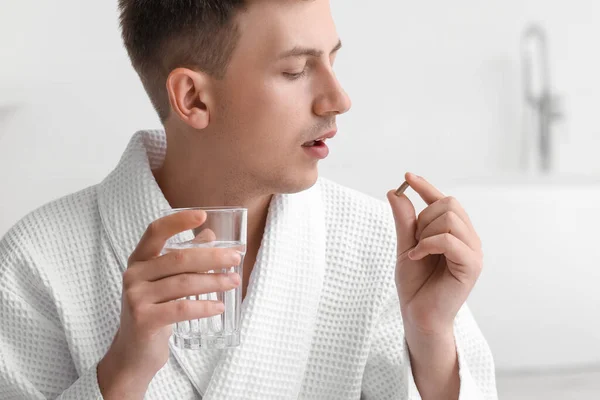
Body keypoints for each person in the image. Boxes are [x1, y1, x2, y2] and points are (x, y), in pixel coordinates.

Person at [0, 1, 497, 399]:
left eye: (332, 59)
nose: (338, 98)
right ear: (193, 98)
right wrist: (121, 378)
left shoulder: (381, 244)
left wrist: (431, 336)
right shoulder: (36, 264)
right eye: (296, 70)